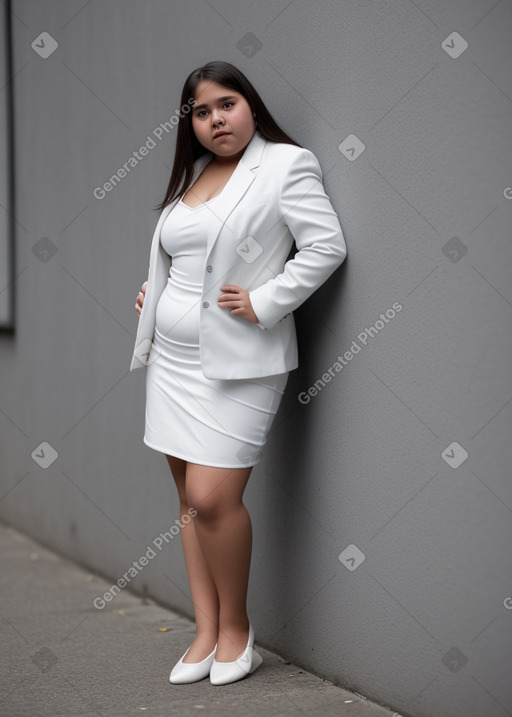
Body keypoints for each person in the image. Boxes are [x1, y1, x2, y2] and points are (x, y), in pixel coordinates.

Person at [132, 60, 347, 686]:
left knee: (211, 498)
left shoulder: (285, 165)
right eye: (201, 112)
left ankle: (237, 631)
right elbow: (182, 254)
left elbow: (327, 246)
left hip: (240, 366)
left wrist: (266, 300)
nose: (215, 119)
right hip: (171, 364)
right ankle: (204, 631)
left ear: (250, 105)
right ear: (191, 125)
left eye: (226, 104)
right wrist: (155, 291)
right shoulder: (196, 174)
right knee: (187, 499)